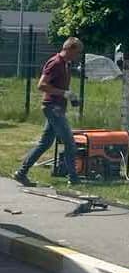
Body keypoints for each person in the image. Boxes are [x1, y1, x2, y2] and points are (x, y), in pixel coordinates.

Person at [13, 37, 84, 186]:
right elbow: (41, 85)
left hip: (57, 107)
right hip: (53, 107)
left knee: (45, 143)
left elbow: (58, 86)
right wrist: (63, 93)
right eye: (76, 52)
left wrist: (69, 95)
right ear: (69, 48)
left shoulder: (65, 64)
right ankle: (73, 178)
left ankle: (21, 173)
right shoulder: (55, 63)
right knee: (70, 142)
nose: (77, 56)